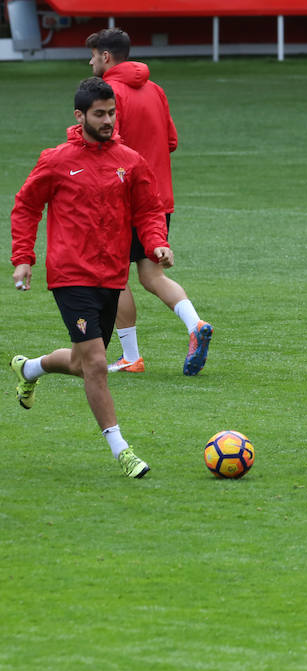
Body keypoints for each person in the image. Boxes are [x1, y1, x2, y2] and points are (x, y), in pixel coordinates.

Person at [9, 77, 174, 478]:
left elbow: (148, 210)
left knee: (85, 363)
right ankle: (123, 450)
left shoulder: (130, 161)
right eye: (100, 114)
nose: (108, 121)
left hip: (111, 276)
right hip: (70, 275)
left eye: (112, 113)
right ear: (79, 115)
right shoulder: (56, 160)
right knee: (99, 363)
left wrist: (156, 244)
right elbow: (26, 206)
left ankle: (29, 368)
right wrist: (23, 258)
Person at [87, 27, 213, 376]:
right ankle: (194, 324)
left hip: (124, 199)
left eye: (94, 55)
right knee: (151, 273)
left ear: (107, 57)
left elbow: (111, 145)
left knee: (117, 278)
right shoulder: (156, 89)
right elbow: (171, 141)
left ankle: (131, 356)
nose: (90, 61)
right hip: (160, 198)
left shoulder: (108, 94)